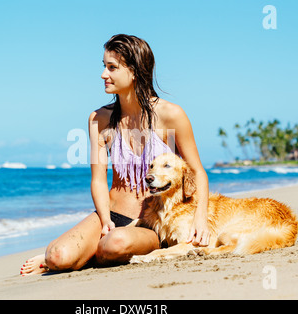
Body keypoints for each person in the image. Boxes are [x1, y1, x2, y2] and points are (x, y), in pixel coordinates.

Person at [20, 34, 210, 275]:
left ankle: (93, 253)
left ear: (135, 71)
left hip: (155, 222)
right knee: (57, 256)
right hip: (113, 212)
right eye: (104, 67)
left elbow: (197, 171)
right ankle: (81, 253)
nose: (103, 75)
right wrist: (104, 219)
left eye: (112, 67)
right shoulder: (99, 119)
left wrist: (199, 218)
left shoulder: (171, 115)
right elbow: (98, 179)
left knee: (115, 243)